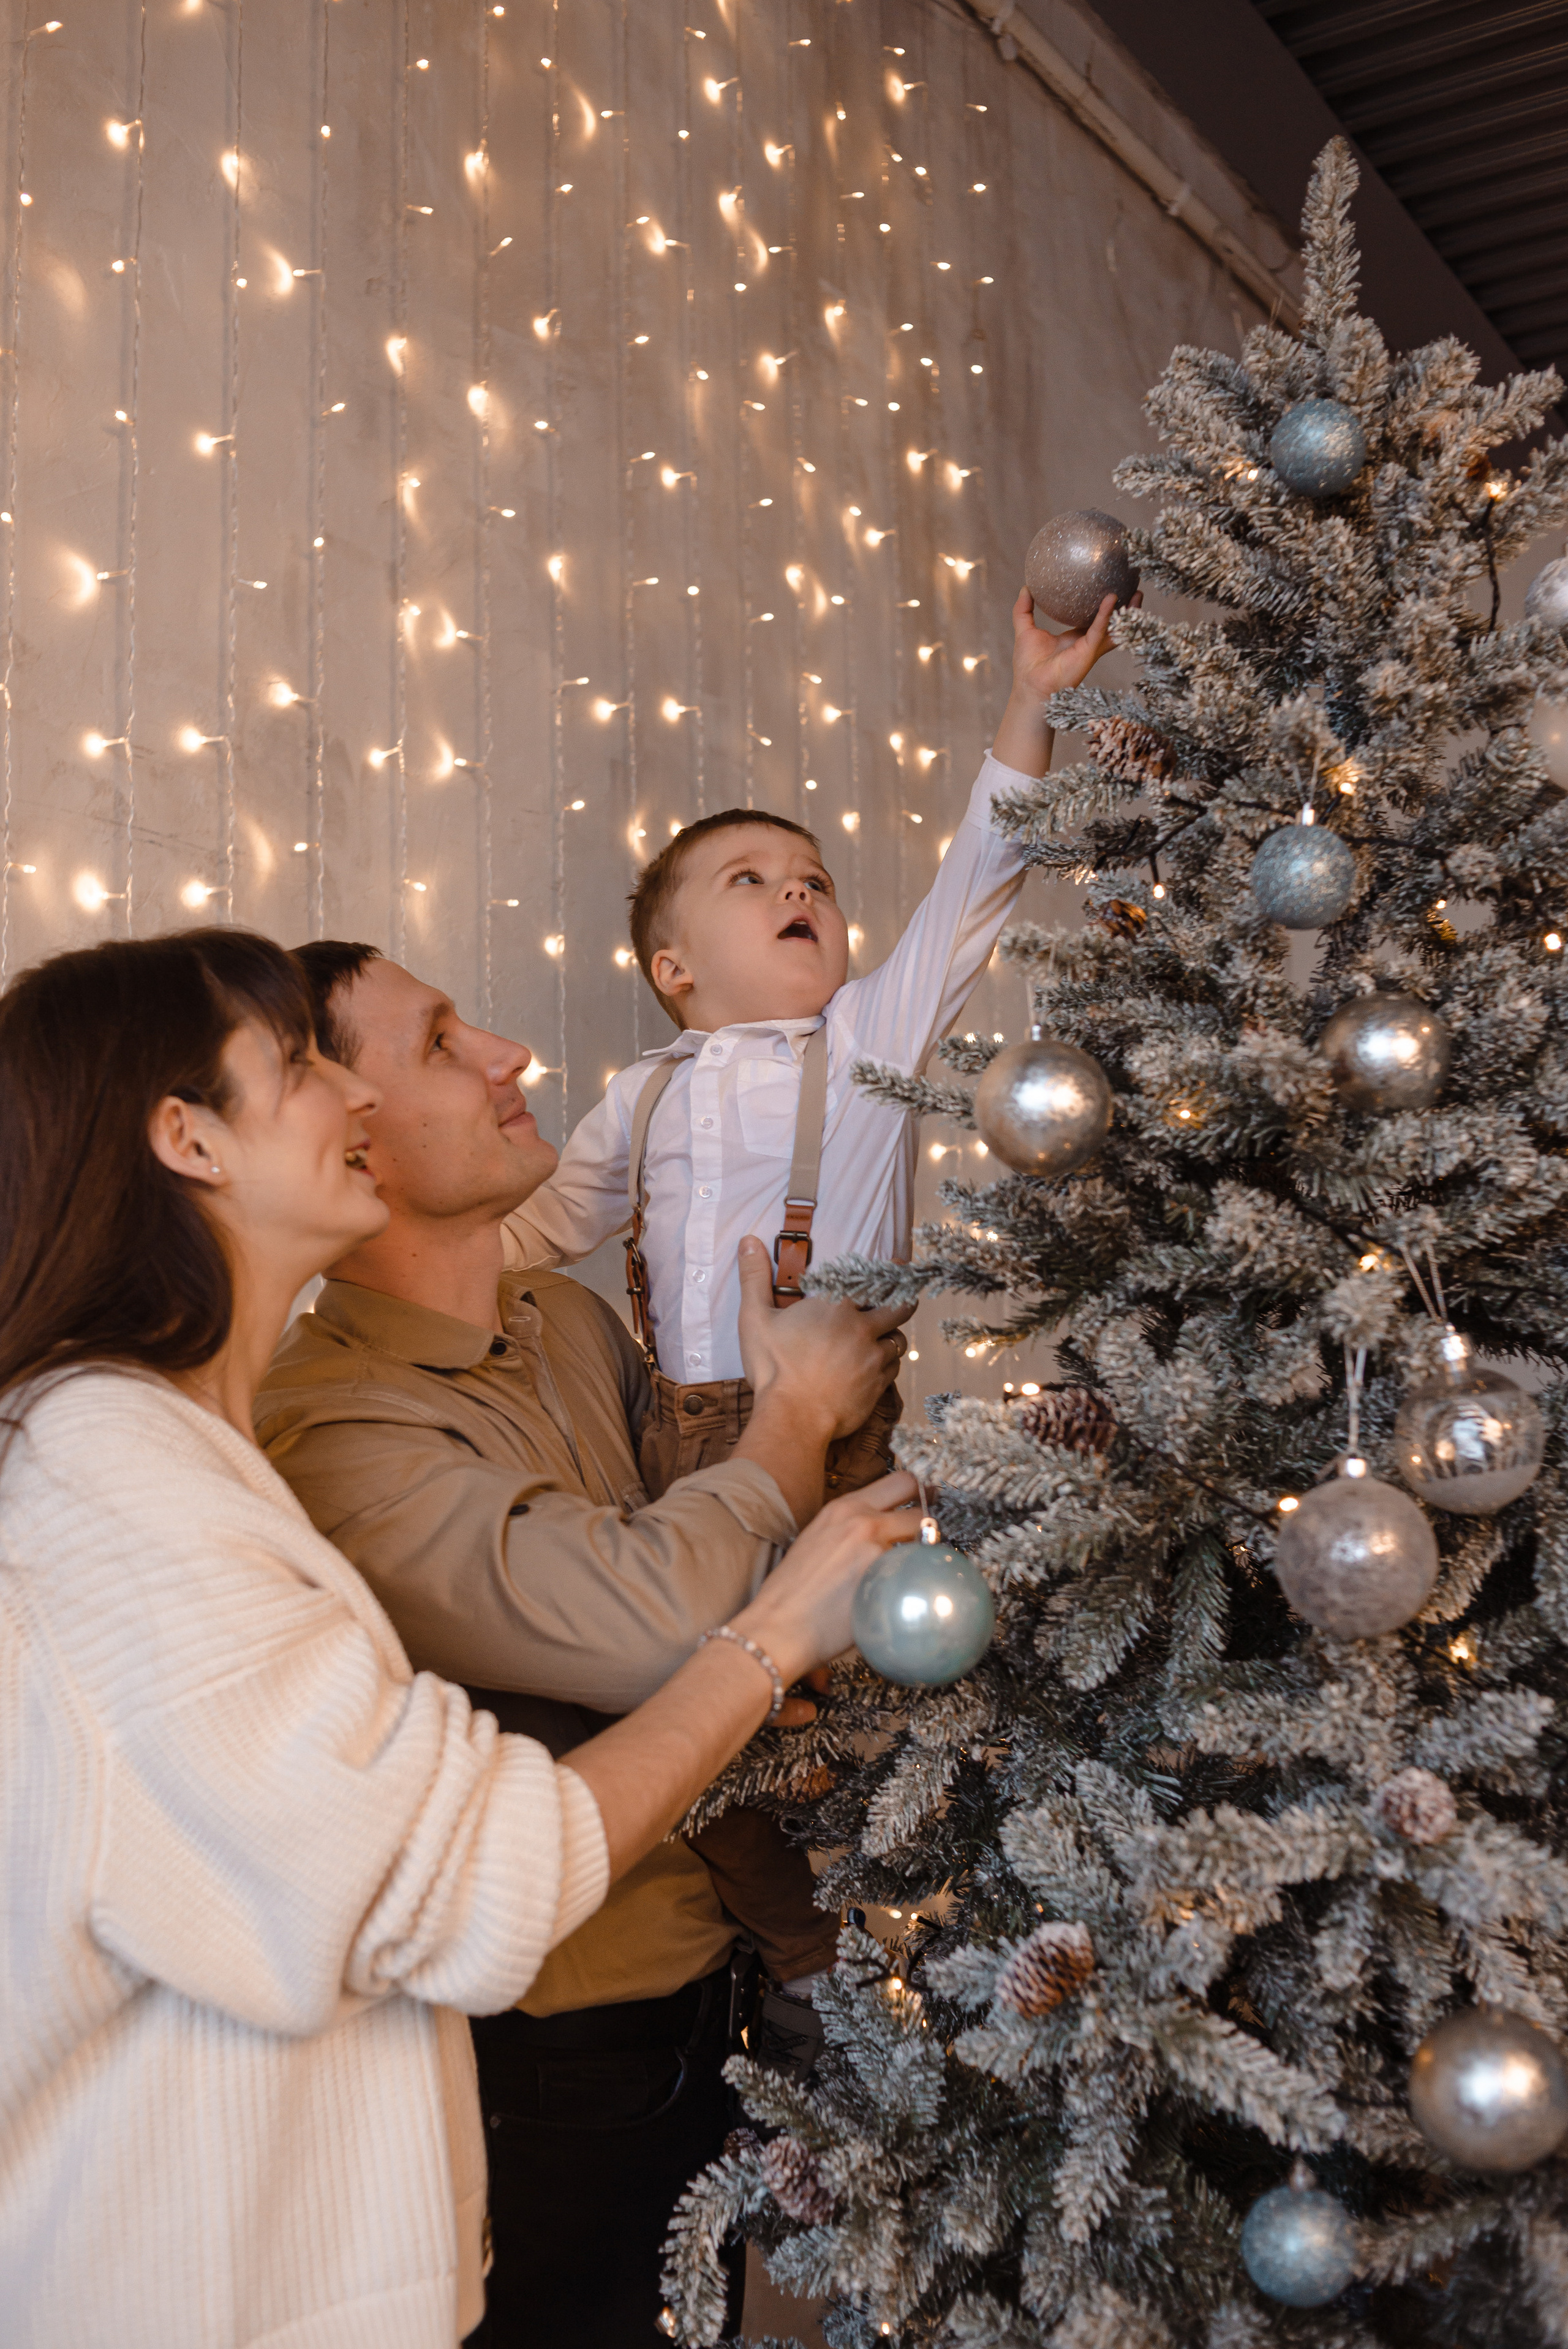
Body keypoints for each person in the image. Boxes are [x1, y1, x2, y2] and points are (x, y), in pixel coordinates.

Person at [0, 928, 919, 2349]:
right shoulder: (125, 1482)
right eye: (300, 1065)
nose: (355, 1098)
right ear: (188, 1139)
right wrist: (766, 1638)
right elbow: (480, 1873)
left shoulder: (172, 1453)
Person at [501, 582, 1131, 1498]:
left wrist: (1033, 698)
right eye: (749, 879)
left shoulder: (866, 1039)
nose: (798, 891)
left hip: (832, 1434)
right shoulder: (644, 1091)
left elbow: (978, 872)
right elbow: (546, 1223)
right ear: (674, 968)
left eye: (816, 882)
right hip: (664, 1438)